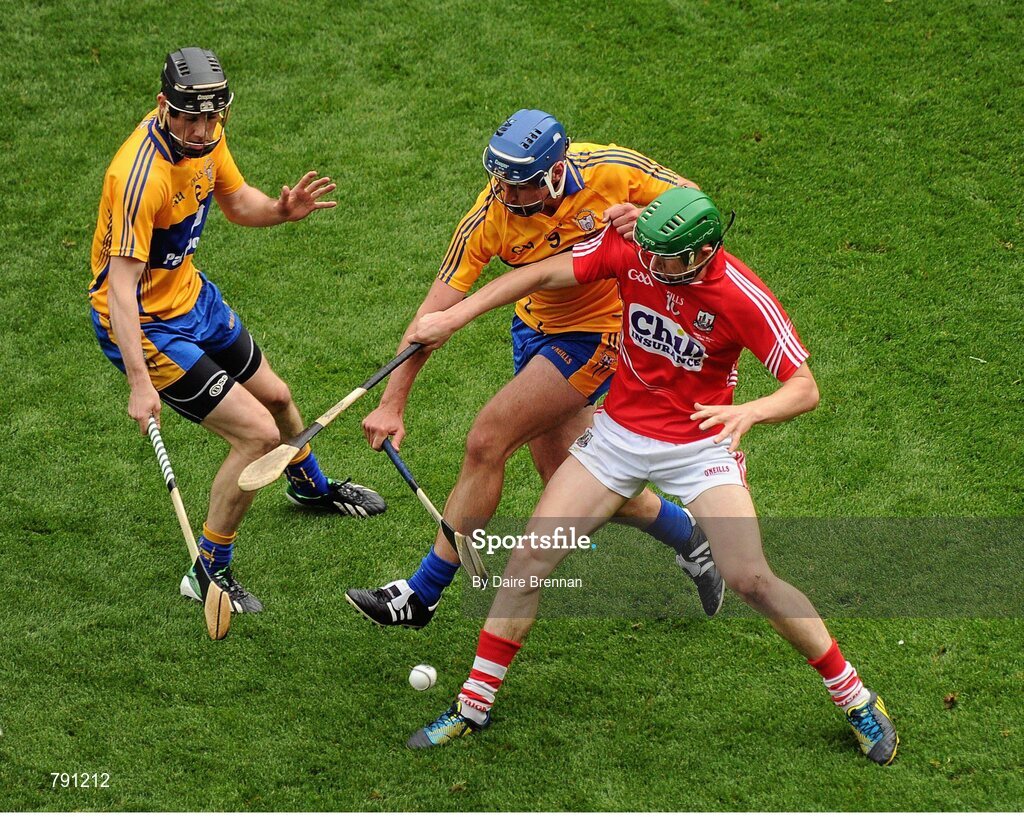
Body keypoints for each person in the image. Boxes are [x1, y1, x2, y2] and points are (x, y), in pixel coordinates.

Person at [401, 187, 899, 765]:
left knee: (751, 579)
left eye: (666, 260)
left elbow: (804, 387)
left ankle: (857, 699)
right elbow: (538, 276)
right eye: (649, 255)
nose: (651, 267)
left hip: (700, 448)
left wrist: (749, 411)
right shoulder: (635, 250)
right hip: (617, 440)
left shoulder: (742, 296)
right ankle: (472, 705)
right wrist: (457, 315)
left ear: (702, 252)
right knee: (529, 561)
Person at [348, 110, 723, 627]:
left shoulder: (610, 171)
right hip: (534, 330)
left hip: (602, 333)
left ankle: (421, 593)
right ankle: (692, 536)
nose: (507, 194)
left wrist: (650, 219)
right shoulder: (490, 216)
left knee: (487, 439)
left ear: (554, 171)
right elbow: (432, 314)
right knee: (571, 482)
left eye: (519, 185)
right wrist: (392, 402)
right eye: (499, 180)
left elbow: (696, 204)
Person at [88, 47, 386, 613]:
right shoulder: (137, 177)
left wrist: (280, 209)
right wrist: (137, 381)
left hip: (191, 297)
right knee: (256, 435)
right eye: (189, 118)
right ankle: (207, 571)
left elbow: (236, 201)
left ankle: (308, 484)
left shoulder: (208, 136)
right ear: (163, 107)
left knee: (276, 397)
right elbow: (120, 291)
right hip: (146, 325)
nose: (201, 131)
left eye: (211, 117)